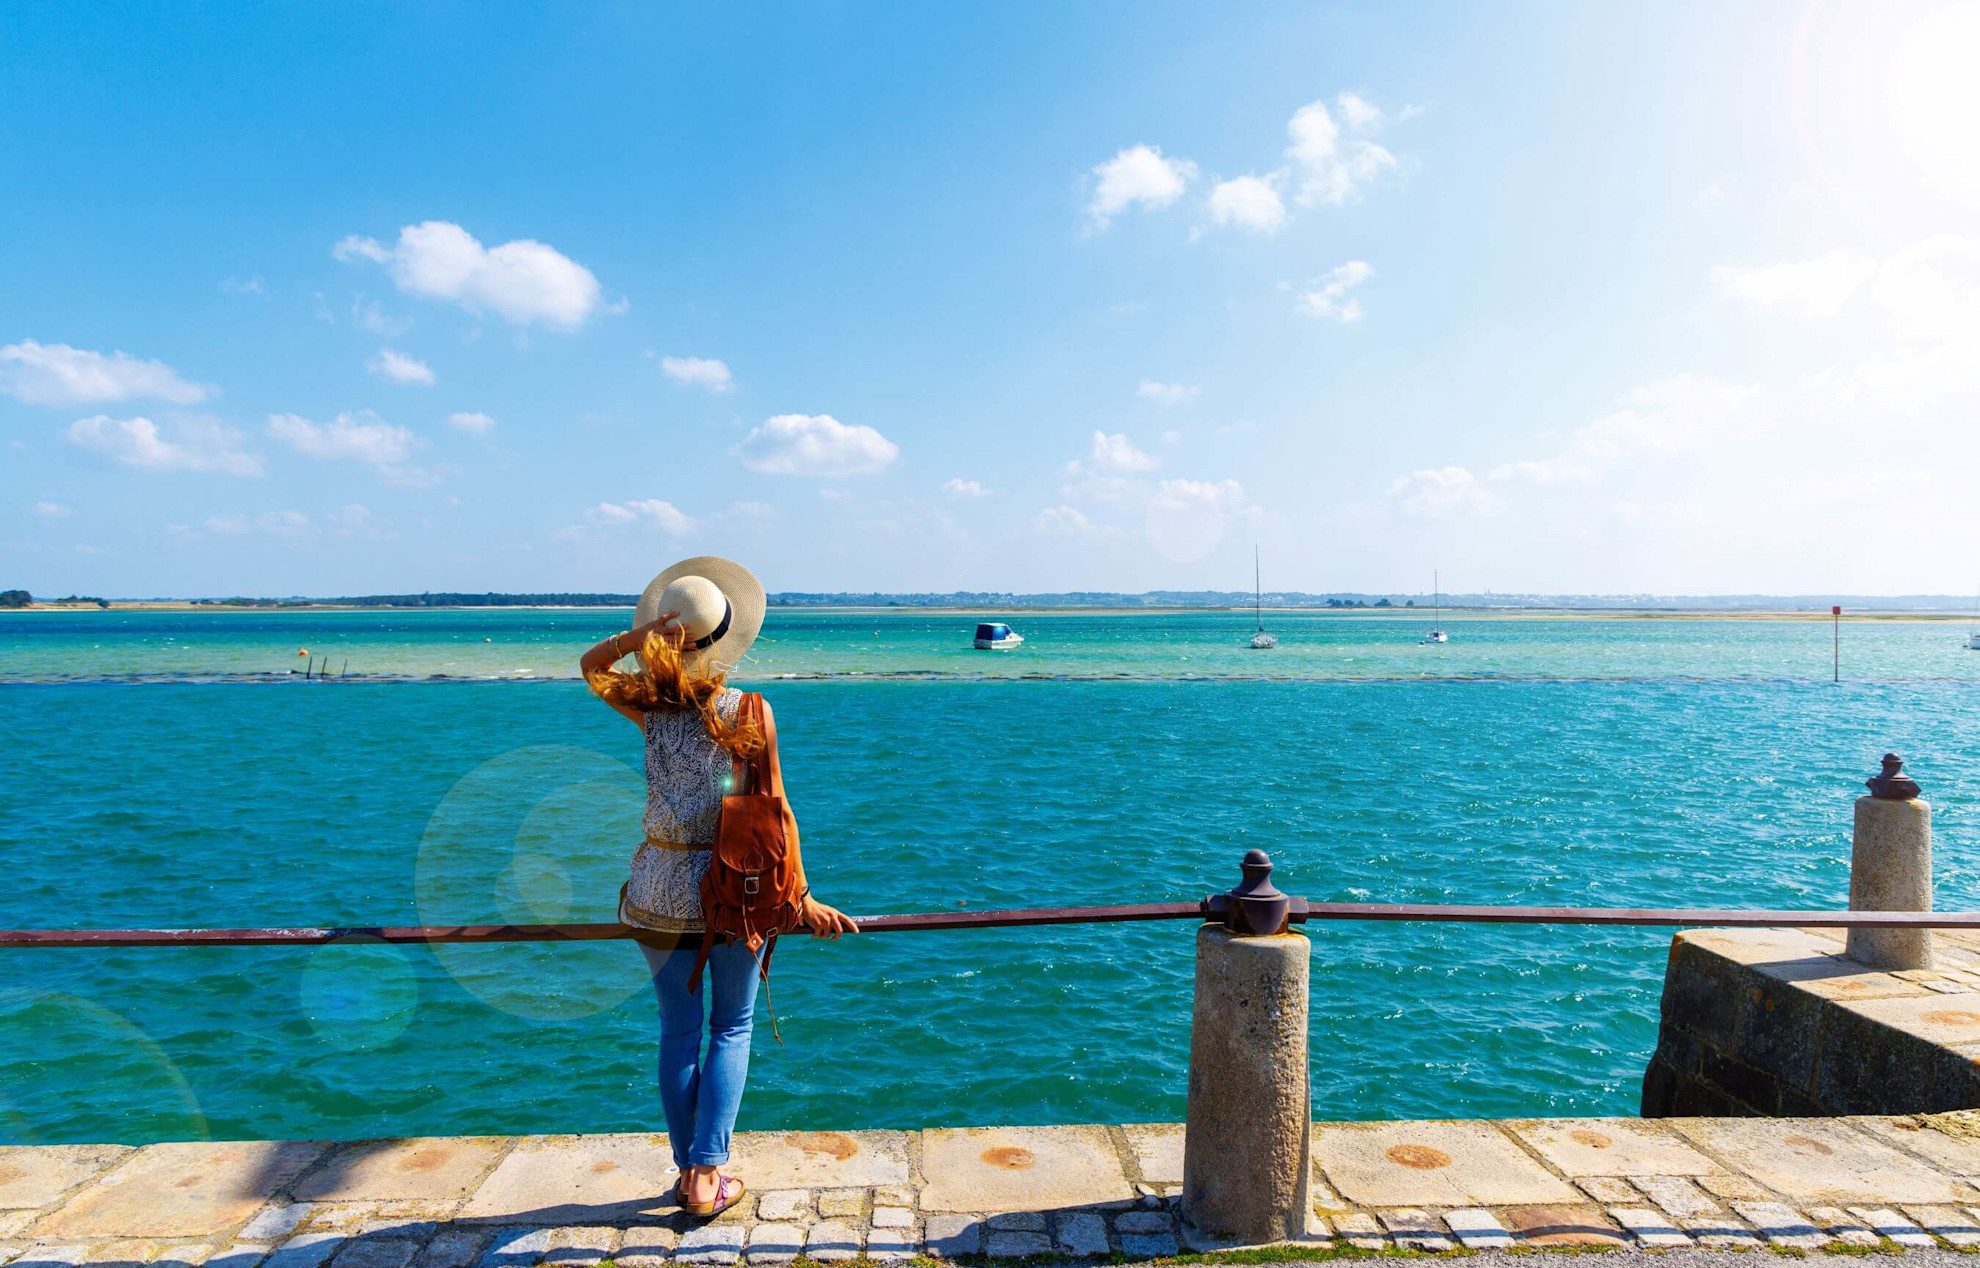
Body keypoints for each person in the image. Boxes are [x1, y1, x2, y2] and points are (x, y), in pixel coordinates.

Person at [580, 556, 857, 1219]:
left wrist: (637, 644)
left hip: (655, 888)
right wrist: (802, 898)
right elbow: (775, 812)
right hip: (736, 891)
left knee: (678, 1032)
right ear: (729, 635)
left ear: (663, 637)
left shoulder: (651, 708)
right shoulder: (749, 712)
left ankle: (687, 1174)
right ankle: (709, 1175)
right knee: (731, 1029)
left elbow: (592, 667)